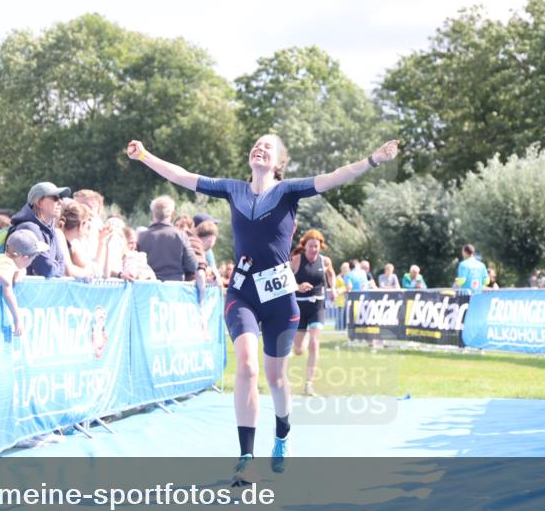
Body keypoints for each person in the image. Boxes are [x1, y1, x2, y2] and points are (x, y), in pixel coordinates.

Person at [127, 133, 399, 484]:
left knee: (277, 378)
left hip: (279, 300)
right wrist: (145, 155)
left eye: (267, 147)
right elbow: (182, 175)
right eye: (256, 144)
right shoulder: (232, 190)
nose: (260, 147)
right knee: (247, 367)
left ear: (278, 163)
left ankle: (283, 432)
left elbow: (335, 176)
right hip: (242, 293)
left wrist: (373, 160)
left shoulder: (289, 191)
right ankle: (246, 458)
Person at [290, 229, 336, 396]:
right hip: (299, 307)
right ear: (305, 246)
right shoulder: (296, 260)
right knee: (298, 350)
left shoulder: (325, 261)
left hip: (317, 306)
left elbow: (331, 275)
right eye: (310, 246)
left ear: (320, 246)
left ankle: (308, 384)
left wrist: (333, 289)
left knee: (314, 345)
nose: (313, 250)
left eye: (316, 246)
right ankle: (304, 339)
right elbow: (284, 279)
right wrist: (298, 287)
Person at [9, 182, 70, 278]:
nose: (60, 202)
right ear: (39, 202)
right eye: (55, 198)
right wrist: (55, 266)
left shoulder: (51, 229)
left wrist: (54, 267)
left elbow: (62, 265)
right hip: (26, 287)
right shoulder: (28, 228)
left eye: (61, 198)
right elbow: (46, 270)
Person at [139, 196, 198, 282]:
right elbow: (192, 265)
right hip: (175, 285)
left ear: (153, 213)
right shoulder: (181, 235)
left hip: (149, 285)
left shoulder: (141, 237)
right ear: (172, 213)